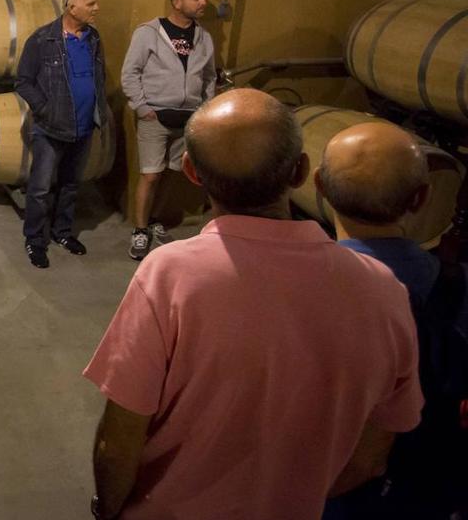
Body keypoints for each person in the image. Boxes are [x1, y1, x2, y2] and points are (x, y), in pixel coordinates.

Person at [83, 89, 423, 520]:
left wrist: (107, 507)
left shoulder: (169, 274)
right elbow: (371, 456)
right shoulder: (384, 291)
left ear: (191, 172)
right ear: (301, 172)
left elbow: (120, 439)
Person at [318, 121, 468, 518]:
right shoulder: (456, 287)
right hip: (421, 486)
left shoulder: (291, 287)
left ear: (318, 186)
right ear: (421, 198)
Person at [121, 0, 216, 260]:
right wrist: (142, 107)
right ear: (177, 2)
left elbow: (209, 76)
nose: (203, 2)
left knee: (171, 174)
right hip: (155, 117)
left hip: (189, 119)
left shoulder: (204, 37)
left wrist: (205, 108)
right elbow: (130, 73)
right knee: (150, 175)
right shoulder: (149, 32)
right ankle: (140, 229)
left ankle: (154, 221)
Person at [14, 0, 108, 268]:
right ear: (71, 7)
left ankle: (62, 233)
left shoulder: (93, 38)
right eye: (90, 4)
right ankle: (34, 239)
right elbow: (23, 82)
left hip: (84, 126)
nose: (96, 8)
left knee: (70, 185)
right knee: (40, 188)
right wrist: (46, 108)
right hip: (51, 128)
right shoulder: (42, 40)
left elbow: (98, 76)